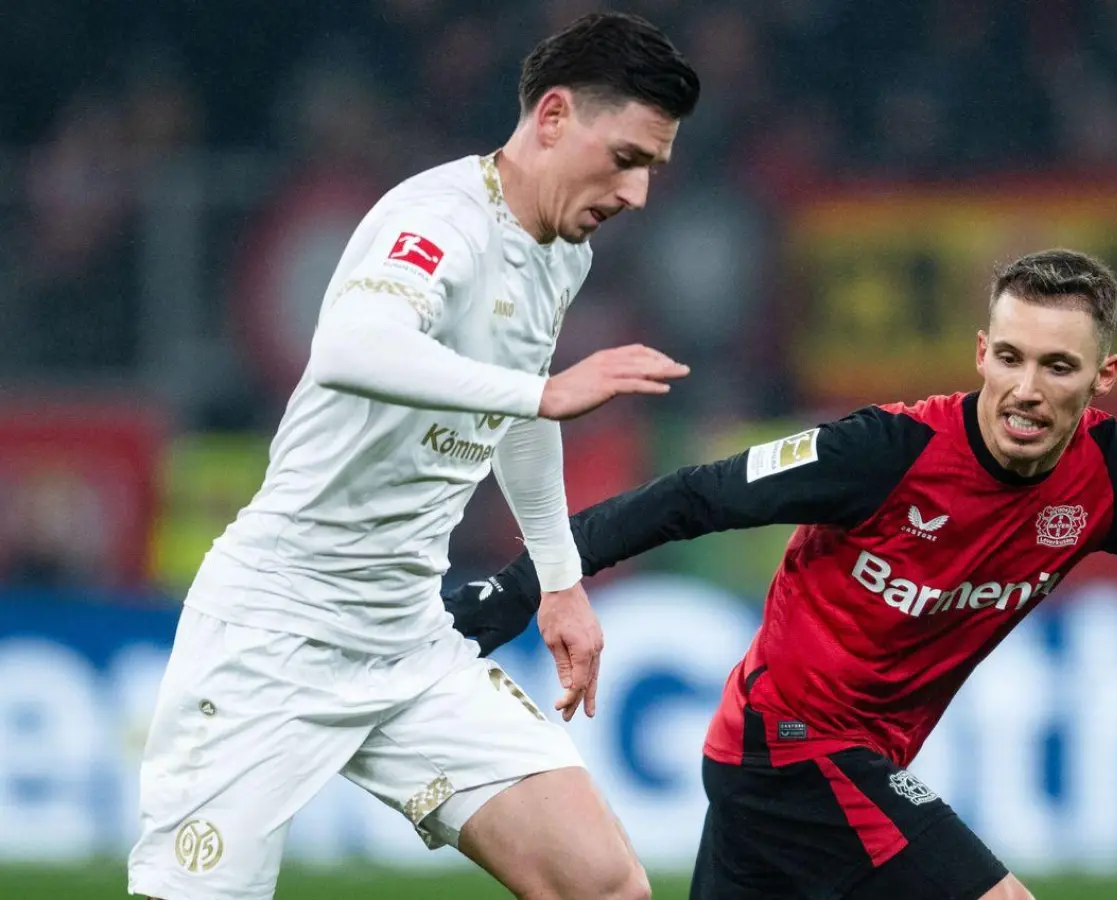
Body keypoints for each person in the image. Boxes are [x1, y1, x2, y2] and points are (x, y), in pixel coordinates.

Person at [445, 249, 1117, 900]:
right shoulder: (885, 451)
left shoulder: (1116, 478)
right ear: (981, 354)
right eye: (1009, 358)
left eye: (1059, 366)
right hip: (795, 750)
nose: (1027, 387)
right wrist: (520, 590)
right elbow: (692, 498)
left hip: (783, 762)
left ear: (1104, 377)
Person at [129, 13, 698, 900]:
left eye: (652, 170)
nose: (636, 195)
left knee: (605, 884)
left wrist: (558, 578)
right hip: (274, 633)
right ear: (552, 116)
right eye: (626, 158)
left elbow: (514, 408)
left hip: (409, 643)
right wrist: (540, 391)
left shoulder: (560, 254)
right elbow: (356, 347)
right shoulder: (438, 219)